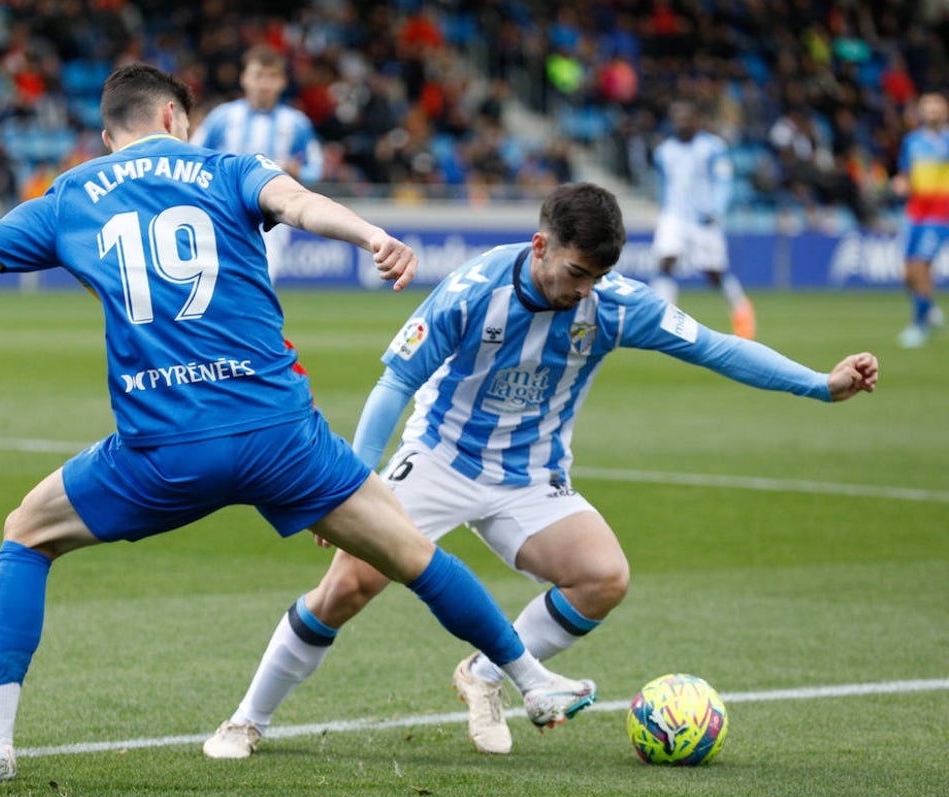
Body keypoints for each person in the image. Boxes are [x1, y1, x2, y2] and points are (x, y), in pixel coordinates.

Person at [0, 63, 584, 781]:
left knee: (27, 533)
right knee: (412, 553)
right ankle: (531, 679)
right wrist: (374, 234)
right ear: (172, 118)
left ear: (107, 130)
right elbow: (299, 206)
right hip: (279, 437)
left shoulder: (69, 196)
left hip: (164, 450)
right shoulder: (225, 167)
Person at [202, 182, 879, 760]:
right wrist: (351, 481)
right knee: (348, 588)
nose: (584, 288)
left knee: (603, 577)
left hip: (530, 476)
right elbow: (394, 383)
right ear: (539, 246)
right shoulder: (471, 290)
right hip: (438, 459)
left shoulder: (612, 305)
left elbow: (717, 348)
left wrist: (821, 385)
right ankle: (247, 720)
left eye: (596, 277)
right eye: (576, 273)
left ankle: (483, 672)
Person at [190, 45, 324, 280]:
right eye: (258, 76)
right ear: (244, 78)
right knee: (215, 281)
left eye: (272, 77)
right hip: (222, 211)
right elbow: (191, 157)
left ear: (282, 82)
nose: (264, 84)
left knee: (262, 281)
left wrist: (298, 171)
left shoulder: (296, 123)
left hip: (272, 216)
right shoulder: (222, 117)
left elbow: (316, 167)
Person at [650, 101, 756, 340]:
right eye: (677, 120)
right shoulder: (664, 151)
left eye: (686, 119)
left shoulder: (712, 147)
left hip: (703, 218)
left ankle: (742, 311)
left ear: (697, 121)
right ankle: (662, 322)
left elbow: (723, 179)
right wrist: (664, 207)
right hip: (674, 215)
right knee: (665, 262)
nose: (681, 124)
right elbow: (665, 184)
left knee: (714, 273)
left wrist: (716, 209)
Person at [891, 91, 949, 349]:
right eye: (928, 108)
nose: (932, 112)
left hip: (940, 213)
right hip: (915, 212)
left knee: (921, 265)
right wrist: (901, 183)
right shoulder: (912, 141)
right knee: (907, 273)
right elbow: (905, 173)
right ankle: (930, 308)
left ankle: (919, 324)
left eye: (937, 108)